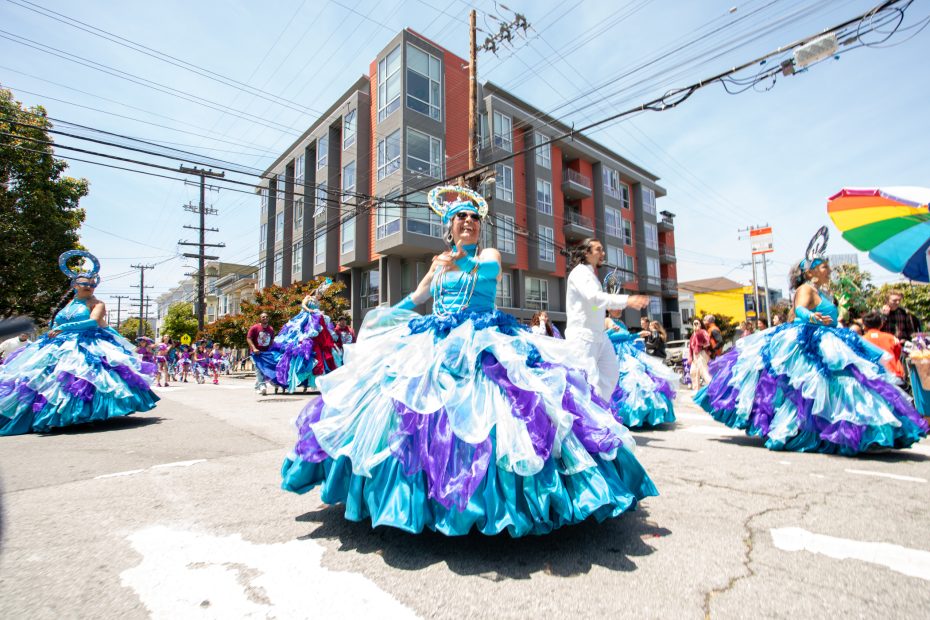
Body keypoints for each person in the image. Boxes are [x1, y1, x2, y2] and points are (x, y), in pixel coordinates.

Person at [281, 185, 656, 537]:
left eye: (474, 217)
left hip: (483, 338)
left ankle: (502, 501)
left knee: (500, 413)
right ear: (449, 226)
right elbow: (418, 296)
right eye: (461, 217)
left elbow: (491, 271)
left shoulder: (486, 255)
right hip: (436, 338)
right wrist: (386, 315)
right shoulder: (438, 262)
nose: (468, 221)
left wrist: (457, 262)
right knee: (410, 411)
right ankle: (408, 497)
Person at [695, 227, 927, 454]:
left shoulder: (825, 293)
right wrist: (811, 315)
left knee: (848, 380)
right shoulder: (806, 288)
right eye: (825, 266)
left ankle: (861, 429)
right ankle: (814, 430)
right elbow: (799, 310)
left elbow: (833, 315)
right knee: (808, 385)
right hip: (808, 338)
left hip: (831, 337)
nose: (829, 270)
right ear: (810, 272)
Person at [0, 251, 159, 435]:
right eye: (85, 283)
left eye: (93, 284)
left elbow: (93, 322)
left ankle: (80, 414)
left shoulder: (97, 303)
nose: (90, 287)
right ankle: (47, 414)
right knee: (48, 380)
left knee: (86, 378)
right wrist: (54, 330)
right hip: (58, 345)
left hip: (87, 343)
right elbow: (57, 323)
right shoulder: (68, 304)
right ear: (75, 285)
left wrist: (64, 328)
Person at [565, 237, 649, 401]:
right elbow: (595, 298)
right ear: (586, 253)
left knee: (610, 374)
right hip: (583, 338)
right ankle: (587, 420)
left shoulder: (590, 275)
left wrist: (608, 307)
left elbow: (593, 305)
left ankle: (599, 415)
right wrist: (627, 300)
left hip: (599, 337)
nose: (603, 253)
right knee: (587, 384)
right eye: (598, 249)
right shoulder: (580, 273)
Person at [605, 310, 677, 427]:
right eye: (616, 307)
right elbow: (602, 337)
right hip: (615, 354)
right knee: (629, 377)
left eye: (620, 307)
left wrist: (638, 335)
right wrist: (611, 330)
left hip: (629, 352)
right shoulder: (607, 320)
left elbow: (627, 338)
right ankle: (627, 415)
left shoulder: (622, 323)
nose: (619, 310)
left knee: (642, 376)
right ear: (609, 309)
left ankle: (645, 415)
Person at [271, 280, 343, 393]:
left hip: (316, 319)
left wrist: (319, 312)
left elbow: (318, 310)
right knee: (300, 337)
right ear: (317, 292)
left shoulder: (318, 302)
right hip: (306, 318)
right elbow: (303, 305)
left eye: (322, 294)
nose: (321, 296)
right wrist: (309, 310)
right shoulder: (308, 297)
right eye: (320, 293)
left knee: (323, 339)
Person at [863, 313, 904, 379]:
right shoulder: (891, 338)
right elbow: (898, 353)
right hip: (894, 374)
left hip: (873, 375)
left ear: (864, 326)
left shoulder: (862, 340)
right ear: (881, 325)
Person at [247, 313, 276, 395]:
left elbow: (271, 340)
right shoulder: (255, 328)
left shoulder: (270, 329)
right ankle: (262, 386)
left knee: (264, 370)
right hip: (256, 353)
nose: (265, 318)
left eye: (266, 317)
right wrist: (254, 348)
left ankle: (257, 386)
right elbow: (249, 338)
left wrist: (272, 350)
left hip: (266, 353)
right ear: (260, 318)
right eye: (263, 317)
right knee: (258, 369)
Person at [688, 319, 712, 390]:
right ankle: (696, 390)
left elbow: (707, 343)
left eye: (697, 323)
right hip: (695, 356)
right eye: (694, 323)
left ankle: (712, 386)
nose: (695, 325)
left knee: (704, 371)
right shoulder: (693, 335)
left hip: (701, 354)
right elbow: (690, 347)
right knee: (693, 372)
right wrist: (690, 357)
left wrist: (700, 346)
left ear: (700, 324)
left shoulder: (703, 332)